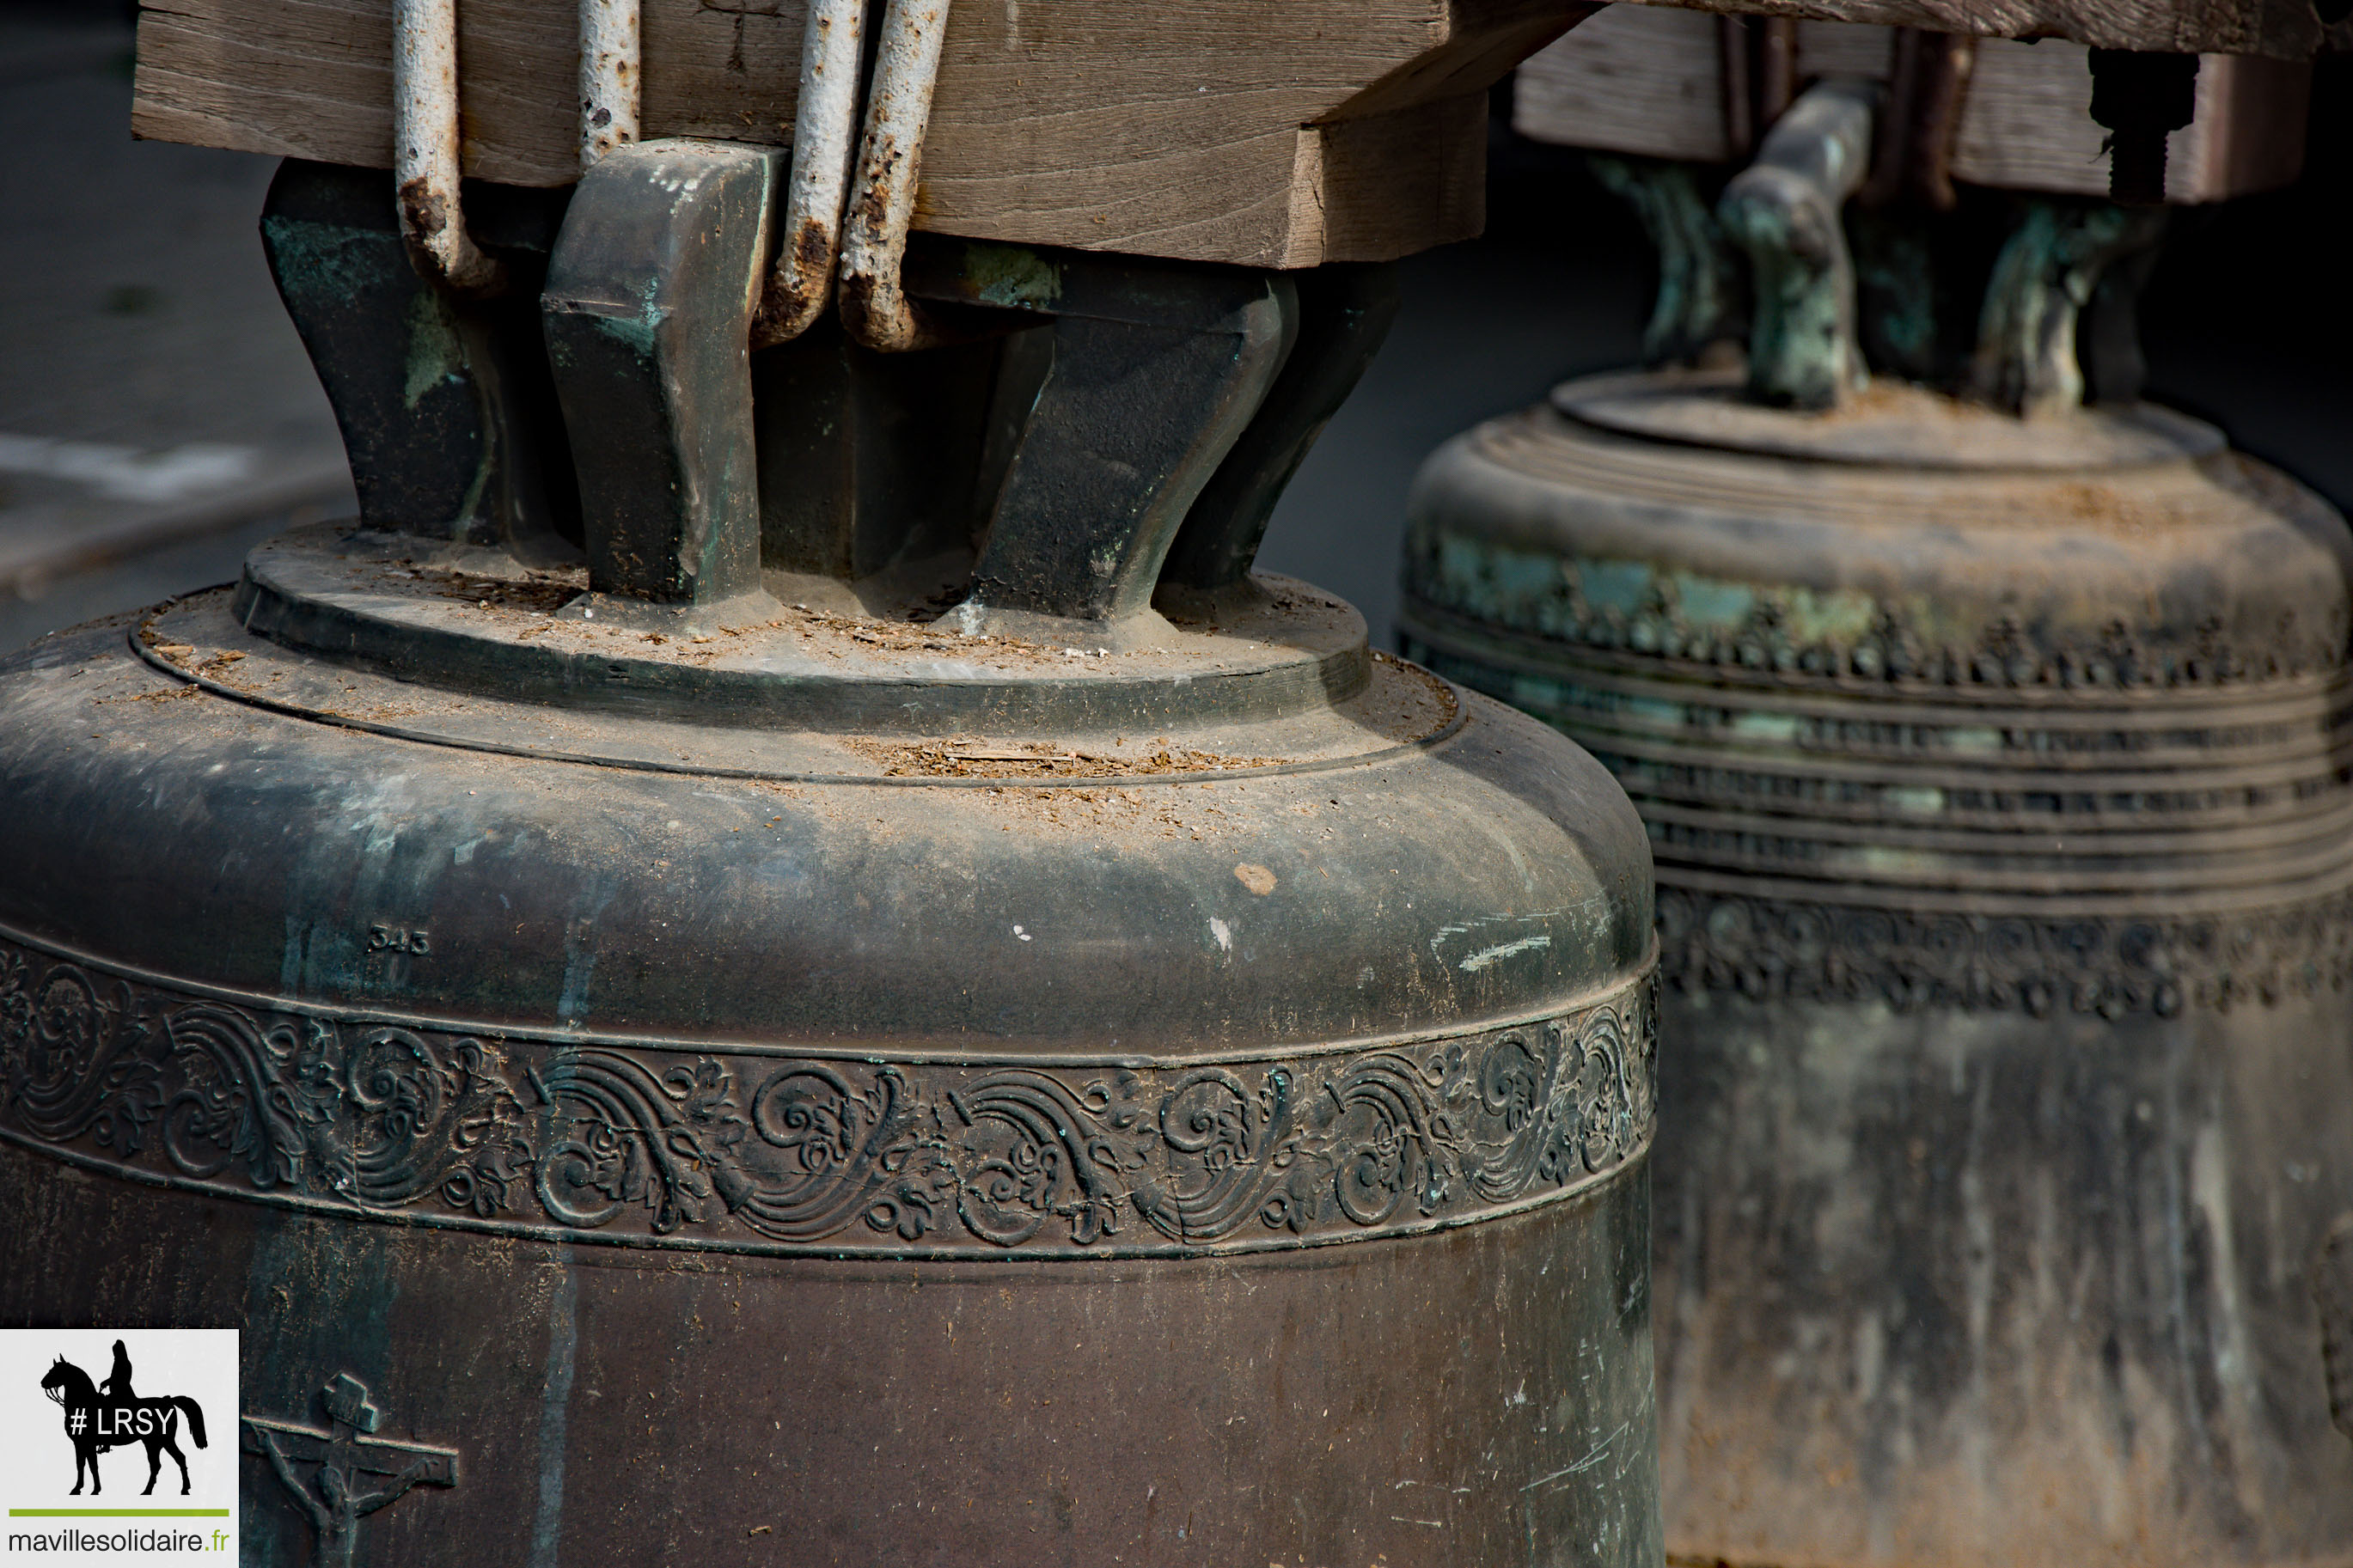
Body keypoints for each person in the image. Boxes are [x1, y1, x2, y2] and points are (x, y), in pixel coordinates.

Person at [100, 1339, 134, 1403]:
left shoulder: (122, 1363)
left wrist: (106, 1382)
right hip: (117, 1393)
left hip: (120, 1394)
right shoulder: (121, 1362)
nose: (114, 1355)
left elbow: (117, 1378)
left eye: (115, 1353)